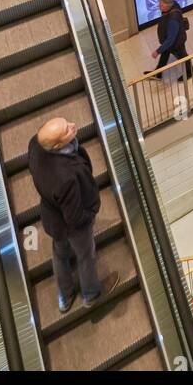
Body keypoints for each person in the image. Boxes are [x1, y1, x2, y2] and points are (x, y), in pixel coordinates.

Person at [27, 115, 119, 313]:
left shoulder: (35, 145)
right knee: (86, 256)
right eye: (67, 130)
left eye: (66, 122)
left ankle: (65, 297)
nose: (73, 125)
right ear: (58, 145)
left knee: (59, 254)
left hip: (53, 219)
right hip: (73, 224)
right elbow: (75, 217)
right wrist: (91, 213)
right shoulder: (66, 176)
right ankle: (91, 294)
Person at [145, 0, 193, 81]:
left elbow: (170, 39)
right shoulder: (173, 4)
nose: (159, 7)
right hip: (177, 39)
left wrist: (157, 51)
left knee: (183, 56)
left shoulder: (172, 20)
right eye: (159, 4)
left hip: (176, 43)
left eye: (162, 5)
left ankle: (190, 72)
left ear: (168, 6)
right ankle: (158, 73)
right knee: (166, 53)